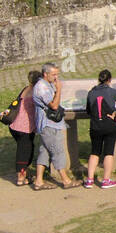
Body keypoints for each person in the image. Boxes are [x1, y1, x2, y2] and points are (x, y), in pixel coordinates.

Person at [32, 62, 78, 190]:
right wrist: (59, 90)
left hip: (47, 124)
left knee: (44, 152)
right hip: (49, 124)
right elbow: (54, 105)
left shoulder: (47, 84)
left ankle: (39, 181)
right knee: (58, 151)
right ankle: (66, 180)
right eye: (54, 74)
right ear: (45, 74)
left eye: (57, 74)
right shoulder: (42, 87)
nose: (56, 77)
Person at [84, 69, 116, 189]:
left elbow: (88, 110)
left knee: (94, 152)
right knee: (108, 152)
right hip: (109, 125)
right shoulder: (114, 92)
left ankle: (89, 180)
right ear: (109, 80)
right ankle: (106, 180)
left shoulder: (91, 93)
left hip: (95, 126)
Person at [8, 69, 42, 186]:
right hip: (25, 127)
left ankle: (24, 174)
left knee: (27, 148)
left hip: (15, 125)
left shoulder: (25, 89)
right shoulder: (35, 93)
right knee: (24, 152)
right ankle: (21, 178)